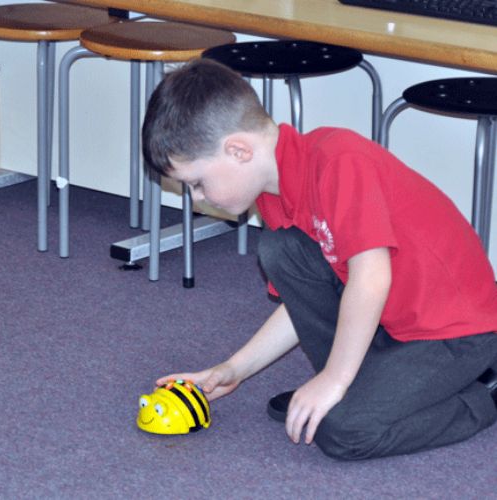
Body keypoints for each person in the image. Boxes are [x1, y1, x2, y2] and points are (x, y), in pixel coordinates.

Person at [142, 58, 497, 460]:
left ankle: (485, 394)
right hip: (393, 326)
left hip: (457, 334)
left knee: (343, 431)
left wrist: (334, 379)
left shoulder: (338, 161)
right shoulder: (274, 196)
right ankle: (362, 384)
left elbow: (371, 279)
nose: (197, 199)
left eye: (197, 184)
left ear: (238, 151)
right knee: (281, 249)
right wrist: (234, 369)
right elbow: (299, 306)